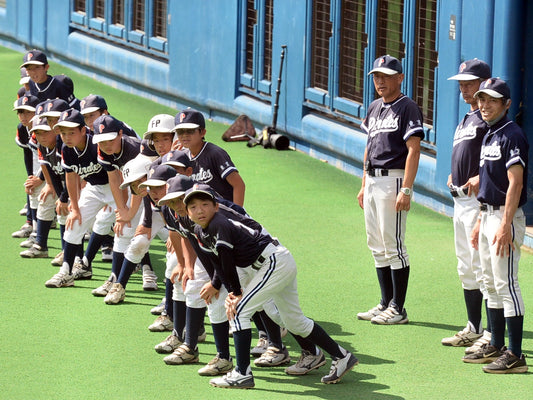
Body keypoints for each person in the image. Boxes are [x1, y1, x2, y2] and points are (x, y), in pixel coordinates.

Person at [183, 187, 358, 388]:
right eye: (193, 207)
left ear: (216, 206)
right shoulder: (199, 230)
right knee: (295, 322)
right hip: (276, 262)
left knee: (239, 312)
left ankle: (242, 373)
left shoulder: (219, 223)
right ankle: (342, 355)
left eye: (205, 204)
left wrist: (236, 293)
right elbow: (217, 263)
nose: (199, 210)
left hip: (273, 262)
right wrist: (233, 292)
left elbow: (227, 261)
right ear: (188, 212)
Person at [462, 78, 528, 374]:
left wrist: (504, 224)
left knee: (506, 284)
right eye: (481, 100)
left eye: (491, 100)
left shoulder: (513, 135)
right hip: (487, 215)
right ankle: (497, 344)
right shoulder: (489, 134)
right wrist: (479, 220)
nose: (484, 105)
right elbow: (488, 183)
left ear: (506, 104)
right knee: (489, 282)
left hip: (505, 217)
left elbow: (516, 183)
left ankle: (515, 354)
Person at [356, 55, 424, 325]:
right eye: (376, 76)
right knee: (376, 244)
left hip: (393, 180)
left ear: (400, 78)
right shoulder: (374, 107)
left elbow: (414, 150)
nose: (380, 81)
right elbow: (369, 146)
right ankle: (385, 302)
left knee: (394, 244)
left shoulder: (408, 107)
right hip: (372, 180)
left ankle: (399, 308)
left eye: (385, 76)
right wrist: (363, 183)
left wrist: (406, 189)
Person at [441, 59, 492, 350]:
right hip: (460, 202)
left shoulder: (488, 119)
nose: (464, 87)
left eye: (469, 82)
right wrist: (454, 174)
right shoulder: (466, 119)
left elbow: (494, 158)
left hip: (478, 203)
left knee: (481, 265)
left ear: (484, 83)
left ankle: (489, 334)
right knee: (465, 266)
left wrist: (479, 176)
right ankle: (474, 327)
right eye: (461, 82)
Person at [44, 109, 115, 288]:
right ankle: (66, 273)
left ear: (83, 130)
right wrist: (75, 208)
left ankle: (144, 269)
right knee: (74, 222)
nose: (67, 137)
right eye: (63, 132)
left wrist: (117, 205)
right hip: (94, 188)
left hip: (116, 187)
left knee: (127, 227)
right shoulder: (67, 149)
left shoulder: (96, 144)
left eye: (72, 132)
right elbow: (71, 176)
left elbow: (116, 174)